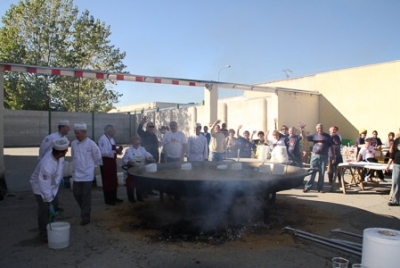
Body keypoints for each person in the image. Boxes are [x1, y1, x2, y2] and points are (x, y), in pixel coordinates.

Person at [30, 137, 69, 243]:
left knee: (54, 207)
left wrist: (60, 178)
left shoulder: (59, 157)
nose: (67, 151)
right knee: (44, 210)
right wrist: (49, 202)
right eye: (66, 150)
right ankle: (43, 233)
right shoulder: (46, 164)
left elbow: (60, 167)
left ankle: (51, 226)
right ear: (62, 152)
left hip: (52, 185)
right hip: (40, 187)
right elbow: (44, 186)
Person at [71, 123, 102, 226]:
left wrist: (93, 168)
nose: (76, 135)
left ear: (84, 133)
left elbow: (97, 157)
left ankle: (85, 216)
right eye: (75, 133)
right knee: (76, 193)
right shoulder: (73, 143)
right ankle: (86, 208)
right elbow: (73, 156)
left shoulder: (91, 144)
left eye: (78, 133)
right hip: (77, 174)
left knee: (86, 195)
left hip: (87, 174)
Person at [122, 136, 155, 202]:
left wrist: (151, 157)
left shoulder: (142, 149)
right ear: (133, 143)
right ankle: (131, 199)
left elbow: (146, 154)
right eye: (136, 144)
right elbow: (124, 159)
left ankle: (139, 197)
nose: (137, 145)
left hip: (140, 168)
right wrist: (128, 162)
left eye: (138, 143)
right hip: (132, 168)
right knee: (130, 184)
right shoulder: (129, 150)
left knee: (140, 183)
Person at [303, 123, 335, 193]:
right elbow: (305, 137)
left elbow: (332, 147)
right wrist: (302, 130)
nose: (319, 129)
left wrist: (333, 156)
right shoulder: (314, 135)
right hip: (315, 155)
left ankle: (320, 188)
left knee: (322, 172)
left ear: (323, 128)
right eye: (318, 128)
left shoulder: (327, 136)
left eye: (320, 128)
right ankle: (308, 187)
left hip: (323, 156)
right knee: (312, 172)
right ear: (316, 129)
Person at [98, 124, 124, 206]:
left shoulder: (111, 139)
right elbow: (102, 152)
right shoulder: (102, 139)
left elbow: (112, 149)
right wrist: (114, 152)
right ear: (109, 131)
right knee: (107, 181)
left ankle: (114, 197)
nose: (115, 132)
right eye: (113, 130)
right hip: (106, 163)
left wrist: (118, 151)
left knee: (113, 179)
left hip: (112, 162)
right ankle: (108, 199)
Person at [386, 135, 400, 206]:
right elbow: (393, 154)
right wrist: (388, 164)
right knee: (395, 182)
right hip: (397, 164)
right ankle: (395, 200)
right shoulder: (397, 140)